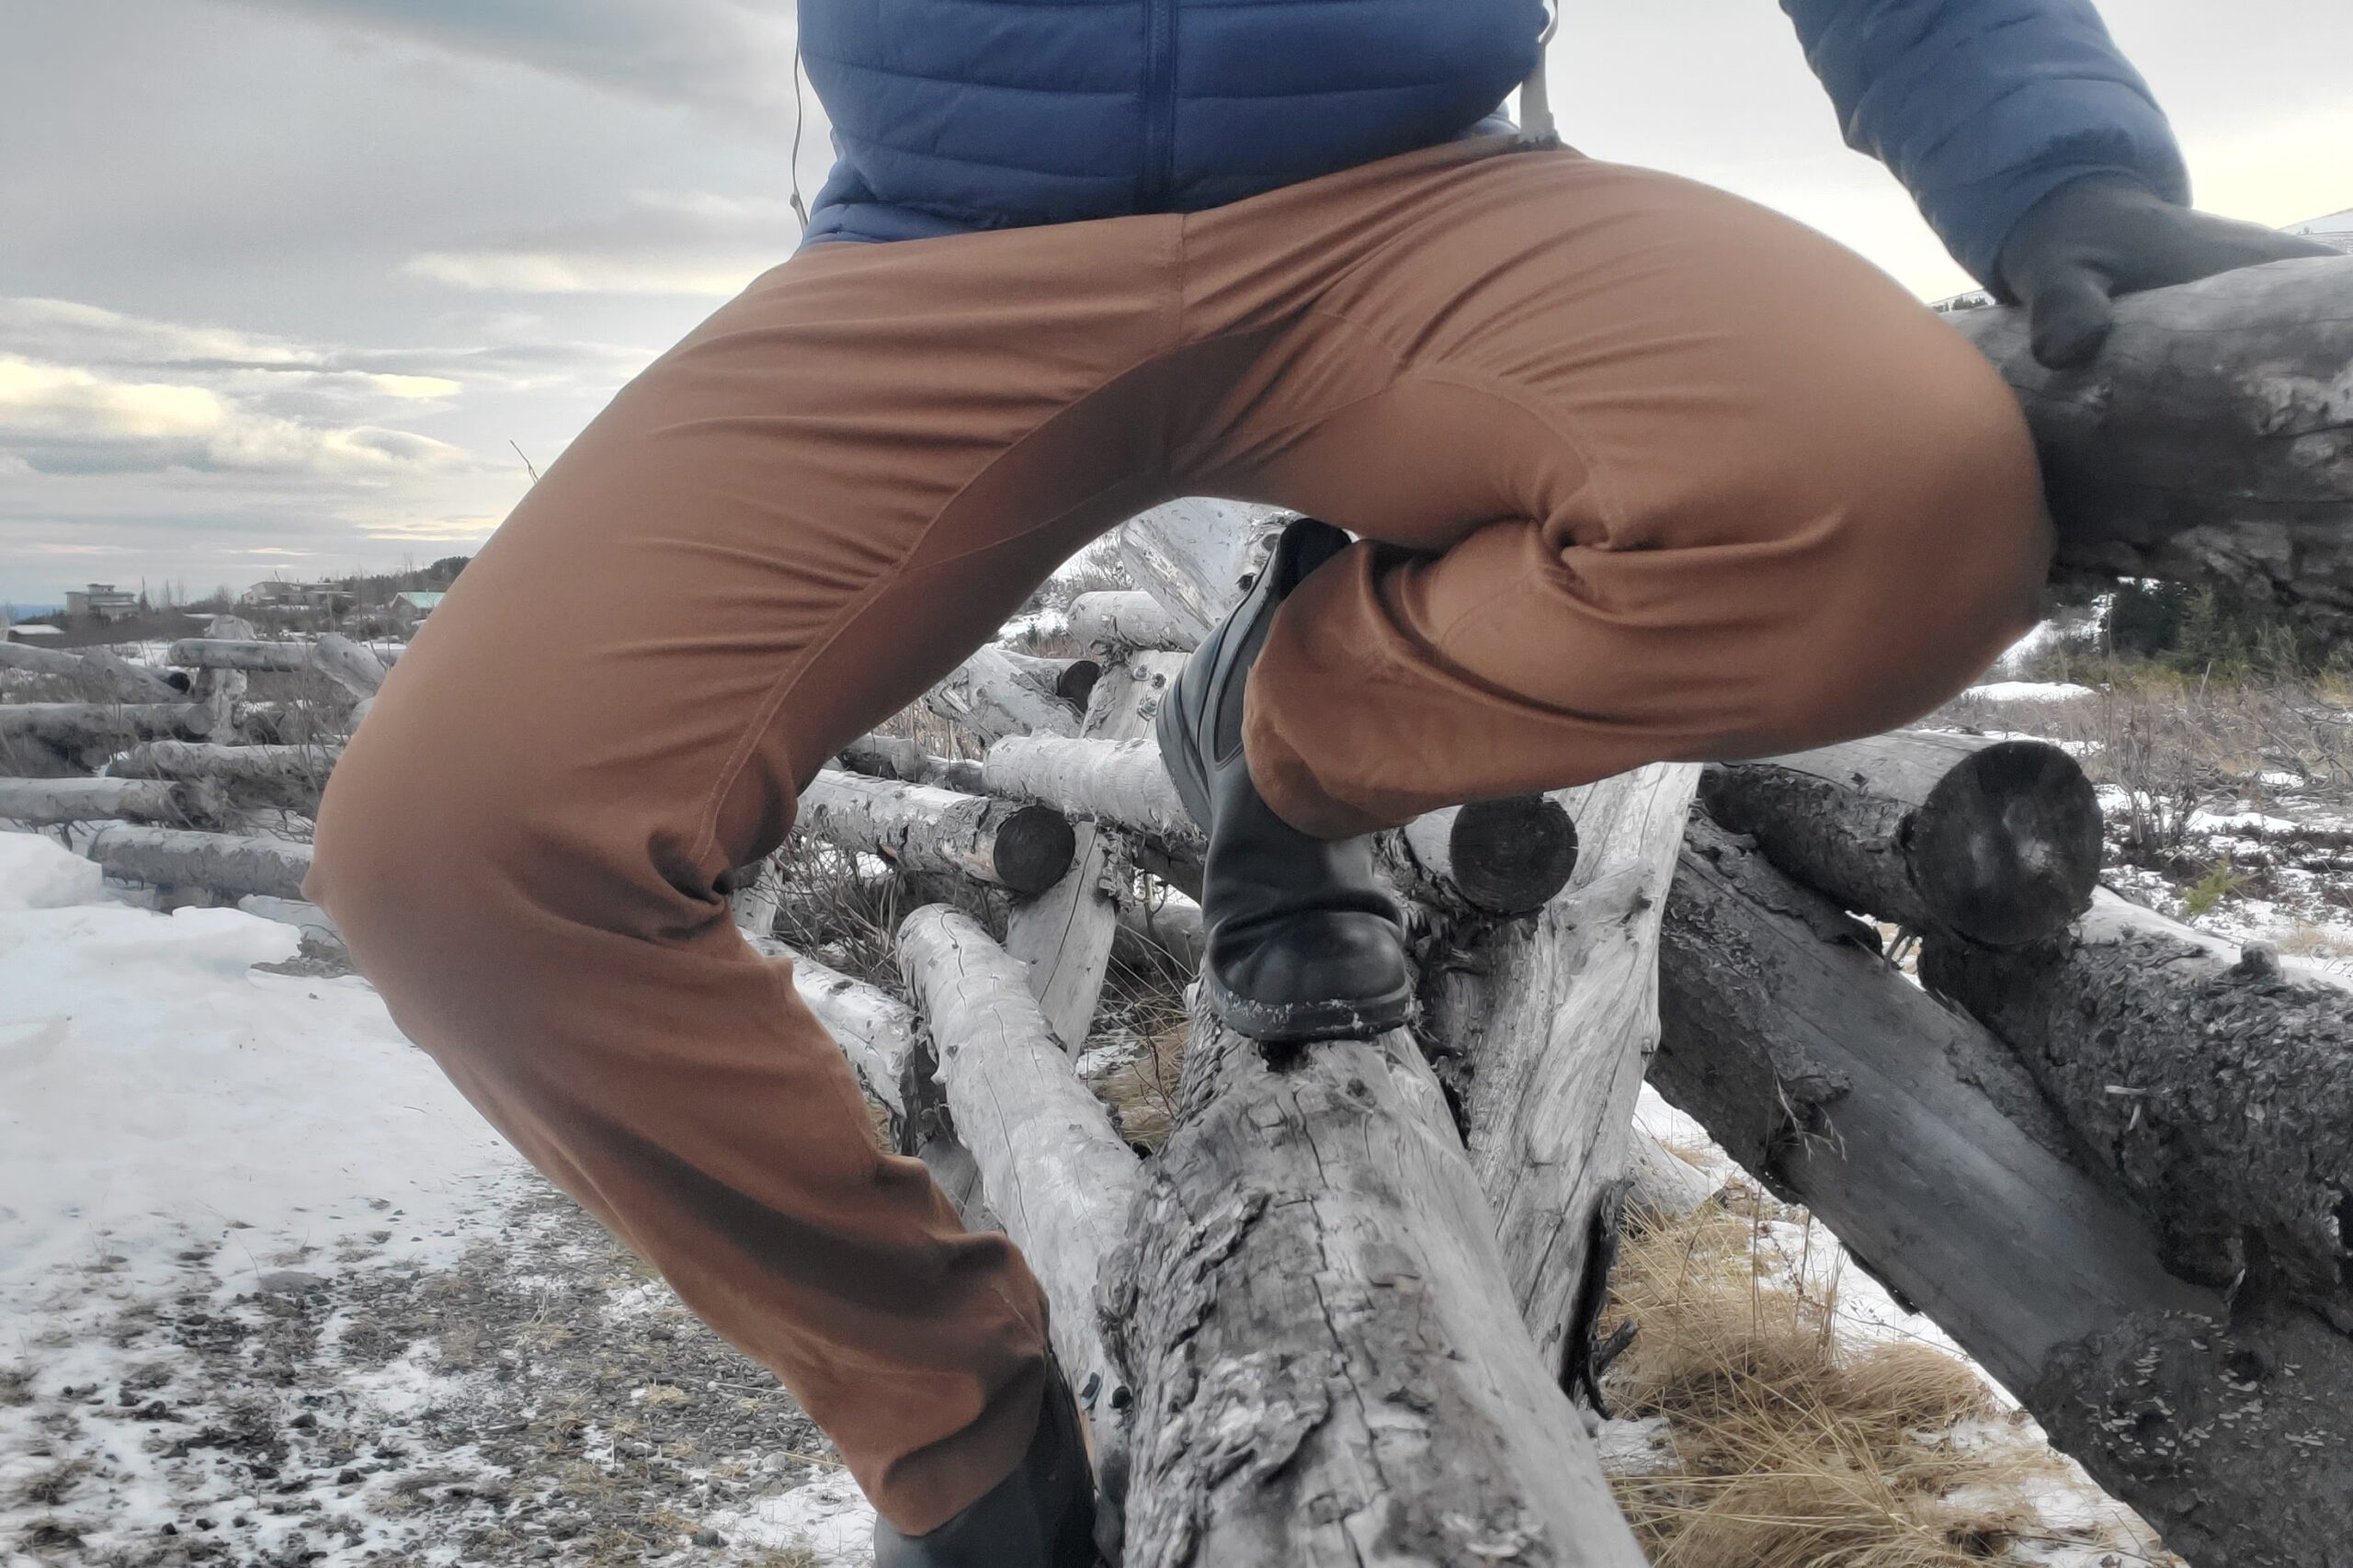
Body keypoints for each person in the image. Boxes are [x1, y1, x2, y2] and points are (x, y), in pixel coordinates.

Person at [305, 3, 2328, 1563]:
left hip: (1421, 206)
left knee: (1900, 495)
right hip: (938, 252)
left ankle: (1280, 733)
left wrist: (2049, 167)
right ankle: (961, 1432)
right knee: (455, 844)